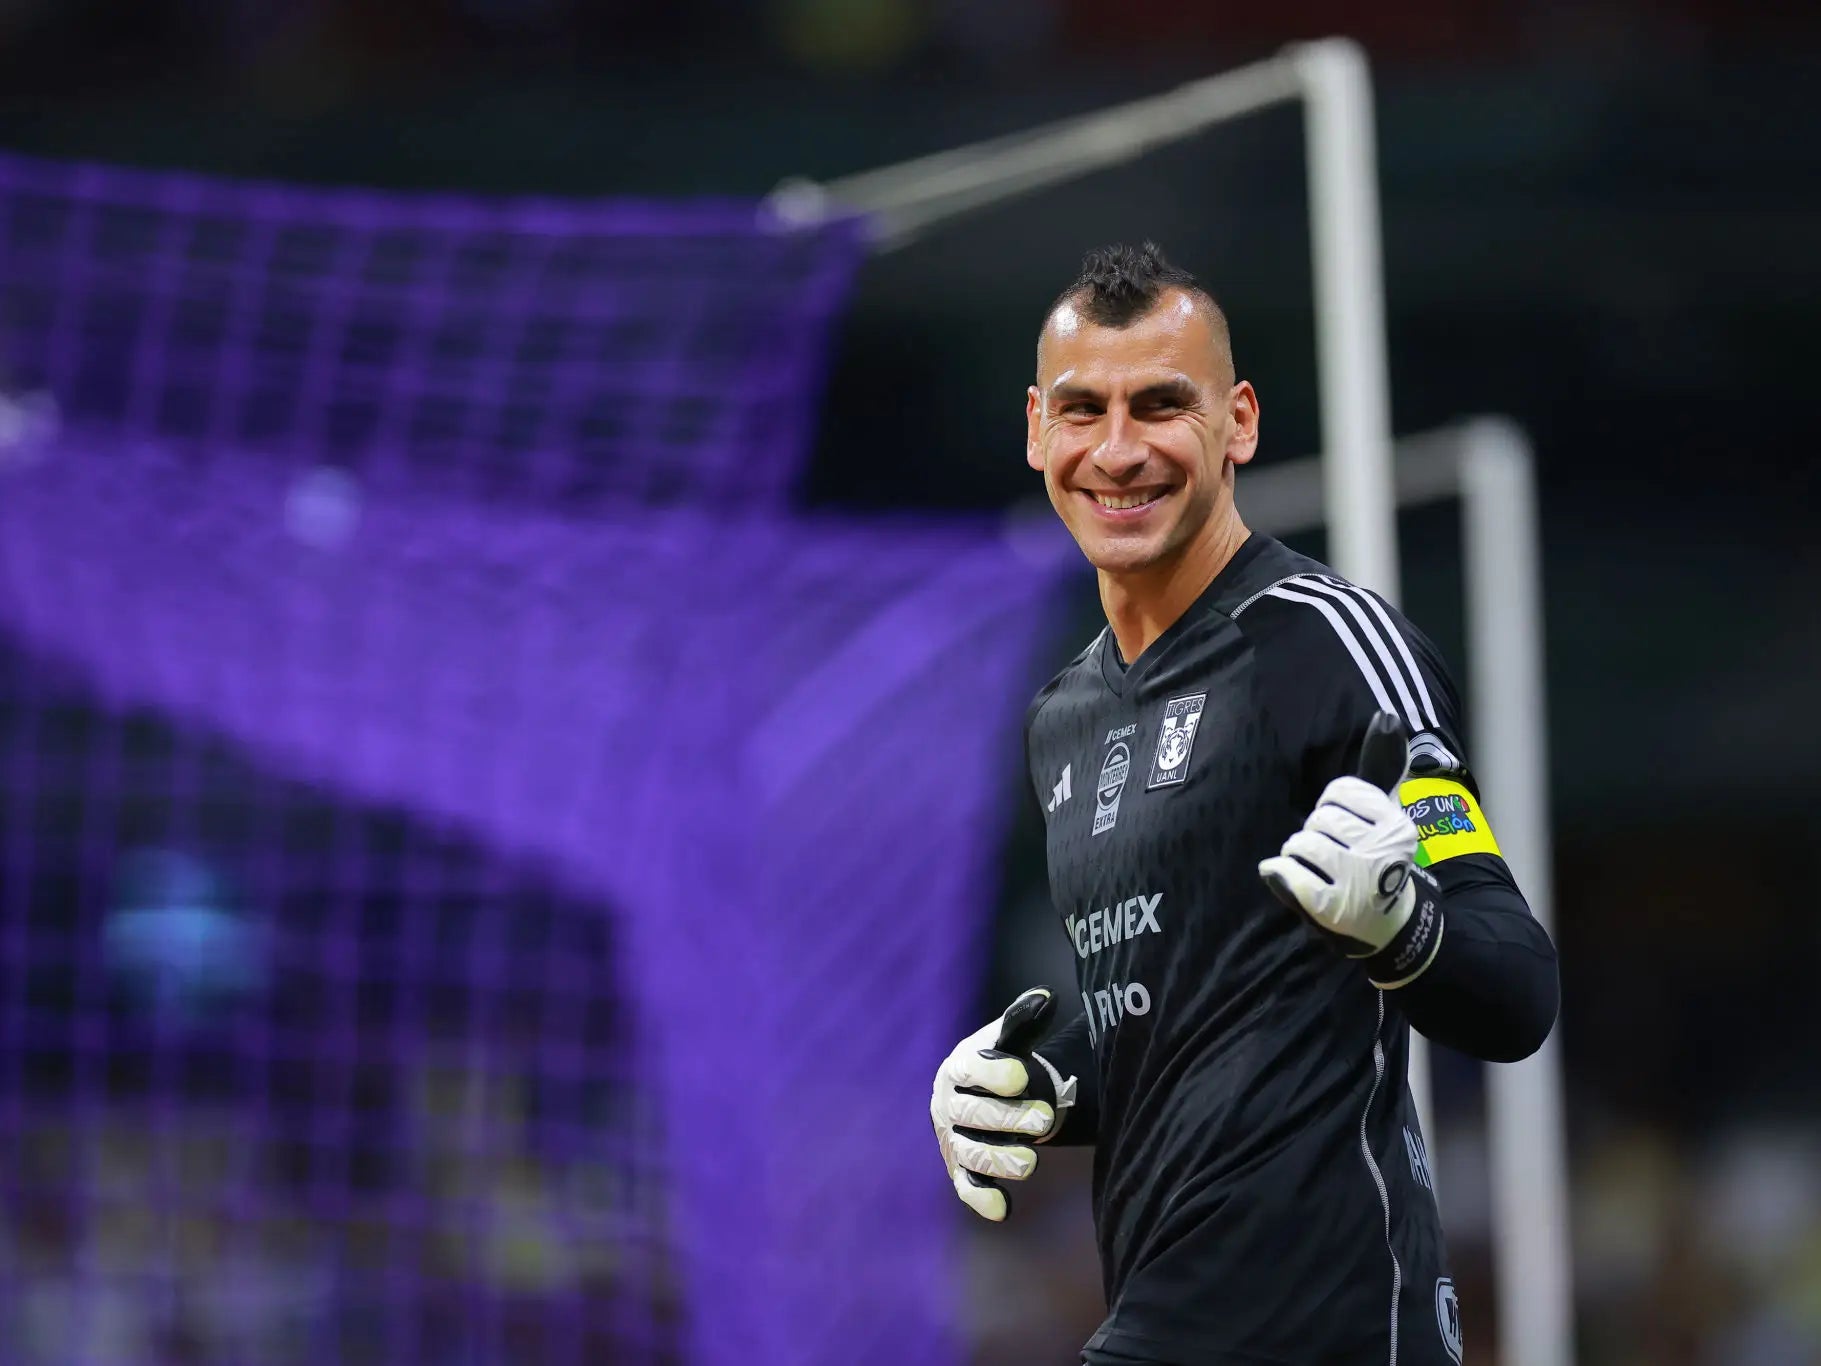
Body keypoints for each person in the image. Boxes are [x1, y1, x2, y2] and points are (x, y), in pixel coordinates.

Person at [929, 243, 1559, 1365]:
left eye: (1162, 405)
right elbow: (1176, 1020)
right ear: (1037, 430)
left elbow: (1514, 985)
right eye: (1084, 410)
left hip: (1338, 1326)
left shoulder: (1331, 647)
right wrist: (1030, 1085)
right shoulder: (1063, 718)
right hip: (1168, 1320)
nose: (1117, 450)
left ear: (1240, 423)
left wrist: (1403, 925)